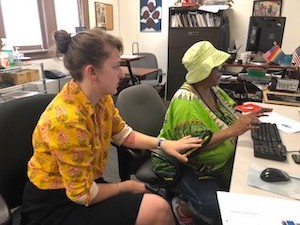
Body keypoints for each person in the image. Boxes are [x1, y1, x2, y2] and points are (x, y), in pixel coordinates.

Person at [20, 28, 203, 225]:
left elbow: (123, 135)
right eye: (116, 66)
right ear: (92, 72)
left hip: (85, 186)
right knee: (158, 209)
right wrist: (125, 186)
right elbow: (82, 195)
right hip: (56, 204)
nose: (122, 73)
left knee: (155, 206)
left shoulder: (101, 98)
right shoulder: (67, 120)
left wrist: (162, 144)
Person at [152, 41, 272, 225]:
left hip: (208, 162)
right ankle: (180, 209)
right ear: (204, 71)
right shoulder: (186, 103)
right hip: (183, 163)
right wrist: (234, 130)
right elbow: (193, 147)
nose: (221, 70)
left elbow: (231, 114)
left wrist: (247, 116)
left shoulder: (212, 89)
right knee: (214, 205)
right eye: (217, 67)